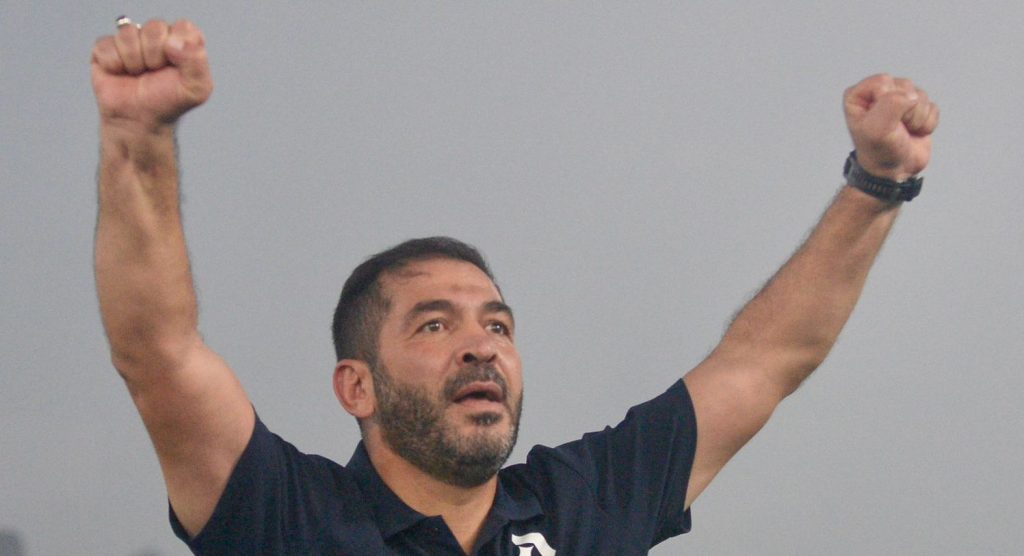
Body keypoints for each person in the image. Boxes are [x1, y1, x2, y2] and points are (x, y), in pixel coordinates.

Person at [91, 16, 939, 556]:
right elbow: (157, 354)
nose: (480, 347)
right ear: (356, 386)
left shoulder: (581, 506)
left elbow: (766, 359)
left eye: (497, 325)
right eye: (433, 325)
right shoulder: (288, 517)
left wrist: (878, 182)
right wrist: (136, 135)